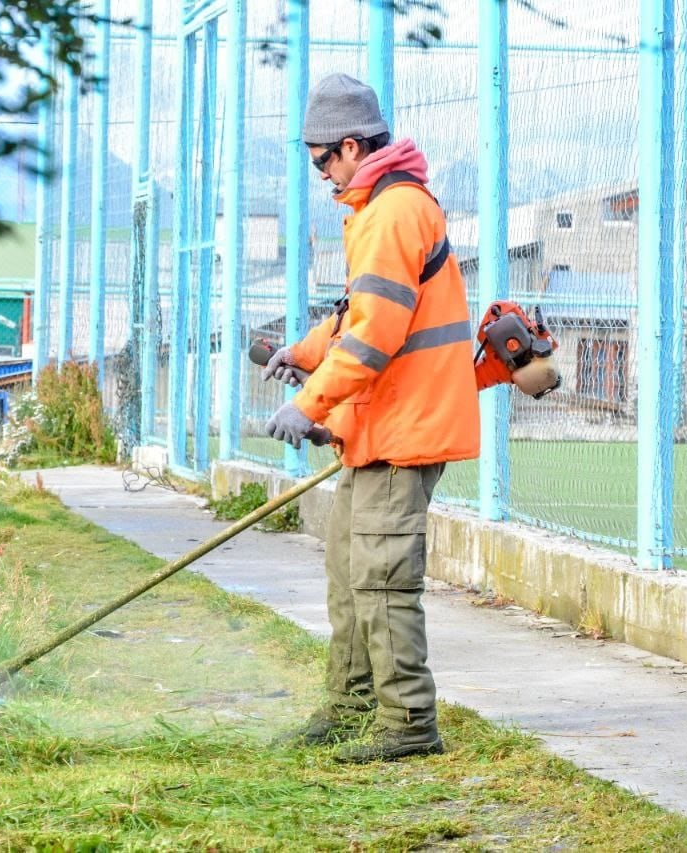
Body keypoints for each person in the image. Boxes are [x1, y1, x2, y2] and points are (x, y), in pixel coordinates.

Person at [261, 73, 479, 763]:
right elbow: (356, 318)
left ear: (351, 147)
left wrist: (307, 403)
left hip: (404, 429)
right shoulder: (378, 209)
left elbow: (375, 338)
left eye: (322, 159)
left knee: (383, 578)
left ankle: (408, 722)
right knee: (349, 567)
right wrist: (300, 353)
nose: (321, 174)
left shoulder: (392, 213)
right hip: (378, 429)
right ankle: (355, 706)